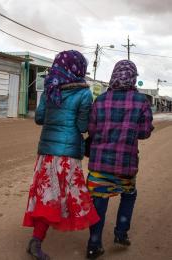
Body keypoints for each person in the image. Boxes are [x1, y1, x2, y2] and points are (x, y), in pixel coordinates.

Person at [23, 50, 100, 260]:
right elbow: (83, 125)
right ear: (79, 68)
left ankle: (36, 240)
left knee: (47, 196)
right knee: (75, 195)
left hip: (45, 153)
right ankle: (96, 241)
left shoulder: (50, 88)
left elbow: (39, 119)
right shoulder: (84, 93)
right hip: (67, 156)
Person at [86, 60, 154, 259]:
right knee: (129, 195)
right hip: (125, 164)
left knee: (99, 200)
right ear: (133, 77)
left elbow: (91, 129)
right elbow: (143, 133)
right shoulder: (141, 101)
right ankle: (121, 233)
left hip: (99, 164)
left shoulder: (100, 100)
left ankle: (93, 245)